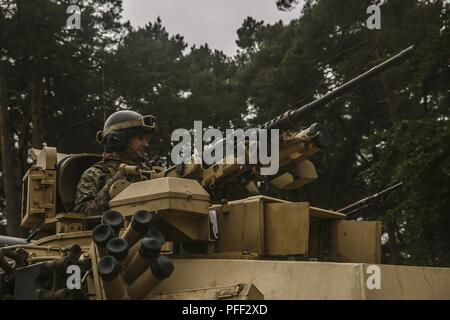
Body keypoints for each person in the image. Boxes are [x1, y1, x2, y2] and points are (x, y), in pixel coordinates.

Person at [73, 110, 157, 215]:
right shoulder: (96, 173)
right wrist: (117, 182)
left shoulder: (149, 171)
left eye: (147, 140)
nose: (146, 144)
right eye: (140, 138)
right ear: (118, 139)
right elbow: (81, 212)